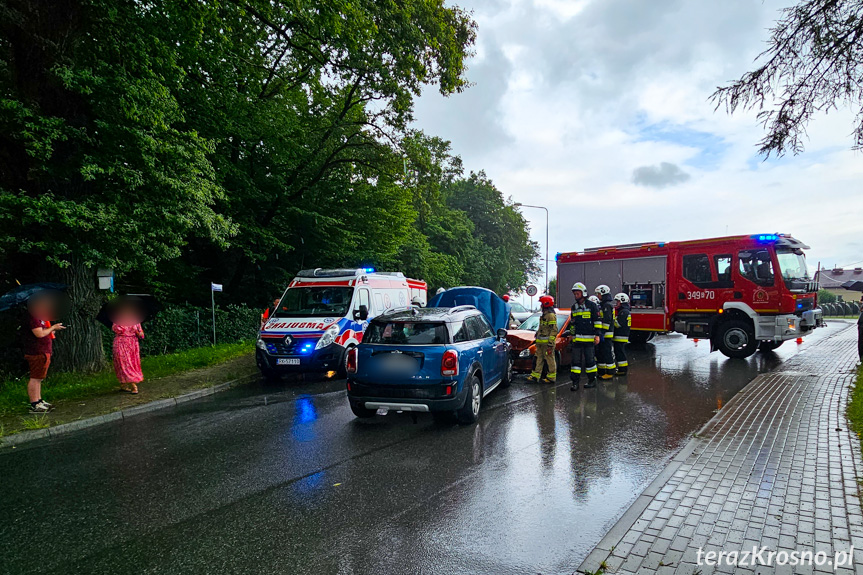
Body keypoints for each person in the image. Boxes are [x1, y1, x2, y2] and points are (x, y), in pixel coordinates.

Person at [23, 292, 65, 413]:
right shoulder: (33, 317)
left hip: (44, 350)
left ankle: (39, 400)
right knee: (35, 377)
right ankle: (34, 403)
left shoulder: (41, 317)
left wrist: (51, 330)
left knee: (39, 377)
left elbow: (44, 331)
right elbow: (39, 333)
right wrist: (53, 328)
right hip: (36, 351)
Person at [568, 283, 601, 390]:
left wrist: (597, 335)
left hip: (589, 339)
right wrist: (572, 335)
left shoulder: (592, 305)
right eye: (574, 294)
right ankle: (575, 383)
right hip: (577, 339)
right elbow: (572, 323)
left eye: (577, 293)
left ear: (583, 293)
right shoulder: (574, 307)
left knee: (590, 361)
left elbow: (597, 322)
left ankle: (592, 380)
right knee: (575, 363)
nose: (576, 295)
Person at [111, 304, 145, 394]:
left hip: (133, 344)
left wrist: (139, 332)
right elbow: (116, 329)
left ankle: (125, 384)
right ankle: (131, 385)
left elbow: (141, 335)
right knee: (123, 363)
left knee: (131, 364)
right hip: (121, 343)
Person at [529, 295, 558, 383]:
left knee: (550, 360)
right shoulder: (544, 315)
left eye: (542, 303)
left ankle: (551, 377)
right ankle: (535, 376)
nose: (540, 305)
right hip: (541, 343)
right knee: (539, 359)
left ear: (546, 304)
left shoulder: (551, 316)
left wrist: (550, 343)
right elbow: (542, 328)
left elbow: (554, 330)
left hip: (547, 344)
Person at [595, 285, 616, 380]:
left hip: (606, 334)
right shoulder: (604, 304)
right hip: (604, 334)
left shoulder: (607, 305)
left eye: (599, 294)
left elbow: (607, 321)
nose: (598, 296)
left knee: (607, 353)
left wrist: (602, 332)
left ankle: (610, 372)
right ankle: (602, 371)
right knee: (602, 353)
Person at [613, 293, 632, 375]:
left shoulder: (623, 312)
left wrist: (612, 318)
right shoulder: (625, 311)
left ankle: (623, 370)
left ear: (622, 301)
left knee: (620, 353)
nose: (617, 303)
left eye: (617, 301)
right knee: (619, 352)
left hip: (620, 336)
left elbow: (618, 324)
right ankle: (622, 369)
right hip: (622, 336)